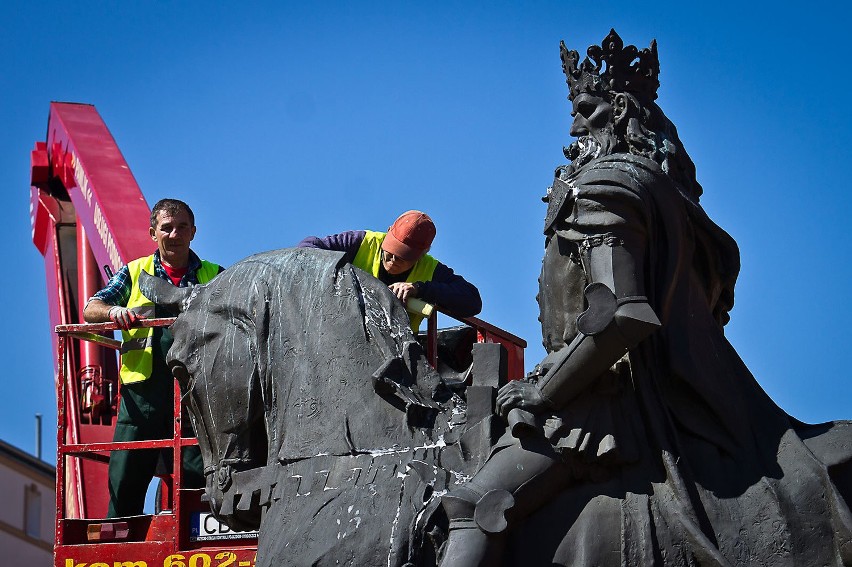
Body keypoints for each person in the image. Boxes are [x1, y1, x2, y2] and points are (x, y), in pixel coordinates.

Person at [439, 30, 852, 566]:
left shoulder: (606, 185)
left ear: (621, 110)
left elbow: (621, 314)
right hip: (699, 397)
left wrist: (544, 394)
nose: (573, 125)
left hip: (609, 399)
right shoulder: (672, 198)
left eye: (585, 108)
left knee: (473, 506)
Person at [84, 198, 223, 518]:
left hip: (195, 395)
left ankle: (200, 534)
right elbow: (92, 309)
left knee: (199, 474)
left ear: (194, 232)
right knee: (126, 474)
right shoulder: (135, 273)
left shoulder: (214, 275)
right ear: (153, 233)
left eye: (182, 227)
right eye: (167, 228)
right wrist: (113, 311)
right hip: (141, 396)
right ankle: (119, 536)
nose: (175, 234)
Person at [297, 210, 481, 331]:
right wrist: (346, 280)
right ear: (388, 232)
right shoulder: (361, 242)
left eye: (403, 256)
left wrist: (420, 289)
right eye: (390, 251)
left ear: (423, 254)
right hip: (343, 333)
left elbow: (472, 301)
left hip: (397, 352)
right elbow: (308, 249)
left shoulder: (431, 269)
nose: (392, 259)